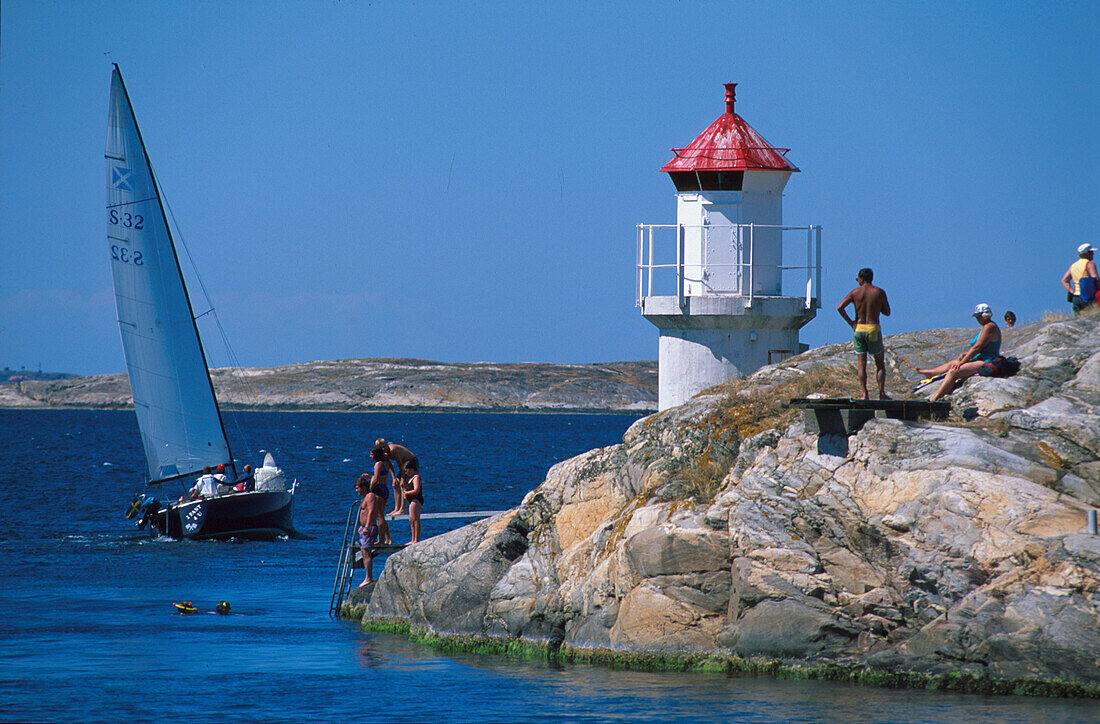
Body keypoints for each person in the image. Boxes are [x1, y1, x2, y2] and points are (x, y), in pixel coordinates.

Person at [916, 303, 1001, 402]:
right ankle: (931, 373)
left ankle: (934, 399)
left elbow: (977, 347)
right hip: (980, 357)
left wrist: (962, 362)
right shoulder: (986, 327)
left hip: (987, 361)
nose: (977, 319)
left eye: (978, 316)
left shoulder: (989, 327)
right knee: (953, 363)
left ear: (984, 315)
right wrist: (965, 355)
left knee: (954, 371)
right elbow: (980, 347)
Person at [837, 267, 891, 399]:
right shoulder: (879, 292)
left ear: (861, 278)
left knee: (861, 364)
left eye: (857, 279)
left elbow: (840, 307)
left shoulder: (855, 293)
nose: (857, 281)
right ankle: (881, 393)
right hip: (873, 328)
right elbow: (887, 312)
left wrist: (850, 322)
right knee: (880, 365)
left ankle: (864, 394)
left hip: (859, 329)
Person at [373, 438, 419, 517]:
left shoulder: (393, 450)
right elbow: (390, 465)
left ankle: (402, 510)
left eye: (384, 446)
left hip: (411, 462)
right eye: (381, 447)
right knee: (395, 485)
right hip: (403, 465)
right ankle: (396, 508)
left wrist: (402, 478)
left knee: (403, 485)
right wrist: (394, 478)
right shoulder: (384, 453)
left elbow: (400, 464)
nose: (384, 448)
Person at [1061, 243, 1098, 314]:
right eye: (1091, 252)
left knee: (1078, 318)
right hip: (1088, 297)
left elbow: (1064, 281)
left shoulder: (1073, 266)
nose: (1093, 254)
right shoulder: (1090, 264)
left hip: (1076, 298)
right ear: (1087, 253)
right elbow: (1095, 279)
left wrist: (1072, 292)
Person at [354, 475, 377, 586]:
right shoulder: (365, 497)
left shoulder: (370, 496)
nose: (356, 490)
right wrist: (362, 526)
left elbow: (371, 511)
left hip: (369, 527)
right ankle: (368, 576)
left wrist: (367, 526)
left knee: (367, 553)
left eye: (358, 488)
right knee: (364, 552)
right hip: (364, 528)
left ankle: (369, 577)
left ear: (364, 487)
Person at [368, 447, 393, 545]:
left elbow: (376, 478)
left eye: (371, 454)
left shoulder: (378, 464)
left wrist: (369, 489)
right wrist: (369, 477)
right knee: (381, 514)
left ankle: (381, 540)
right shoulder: (385, 463)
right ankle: (388, 538)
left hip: (379, 489)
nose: (370, 456)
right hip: (384, 488)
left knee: (379, 515)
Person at [401, 459, 425, 543]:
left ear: (411, 468)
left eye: (407, 470)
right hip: (411, 500)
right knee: (411, 519)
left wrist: (407, 493)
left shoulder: (416, 477)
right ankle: (413, 538)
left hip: (416, 499)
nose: (406, 472)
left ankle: (416, 539)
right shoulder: (409, 478)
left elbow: (416, 490)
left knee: (415, 519)